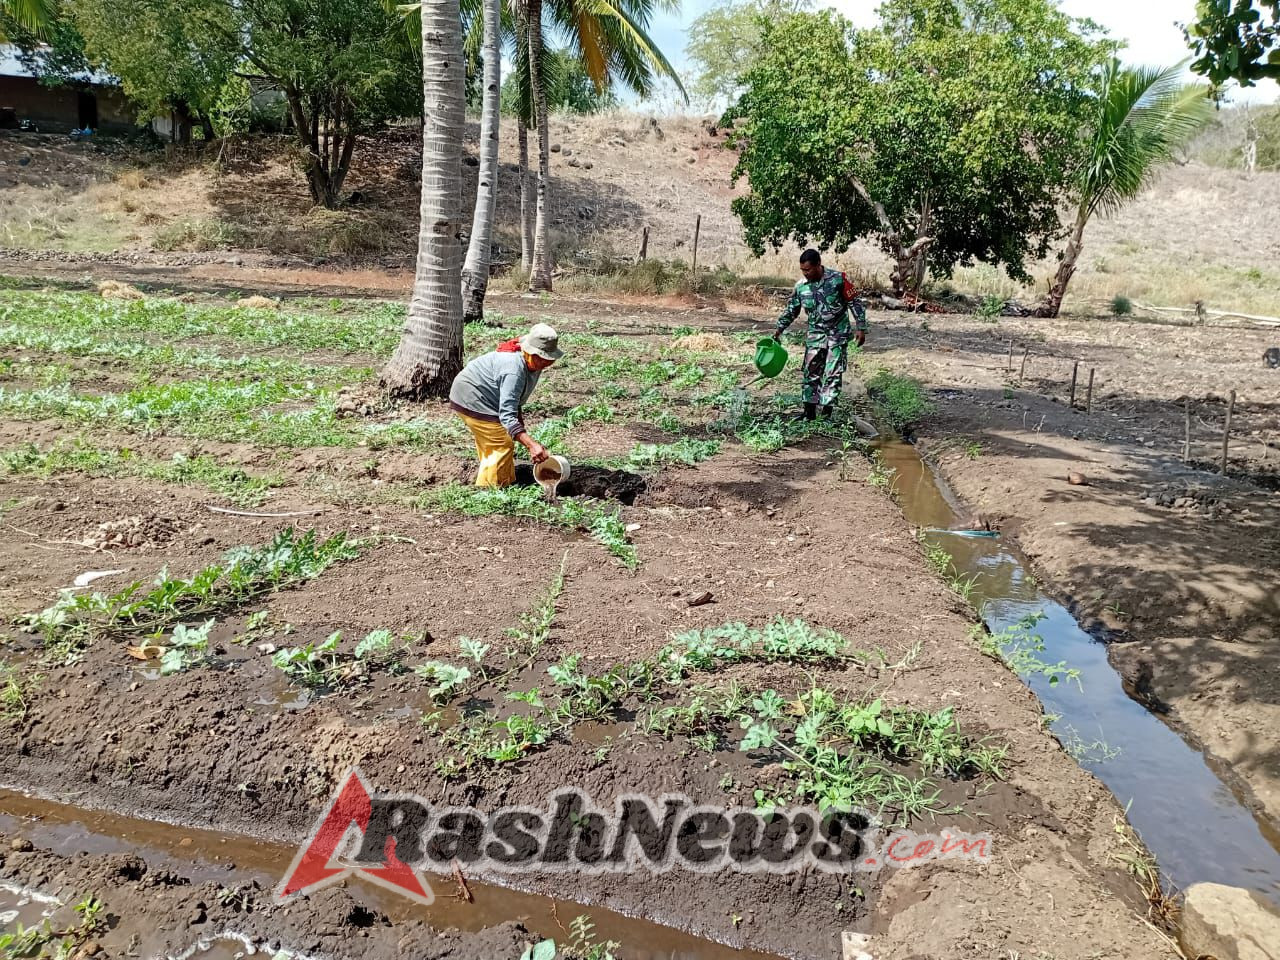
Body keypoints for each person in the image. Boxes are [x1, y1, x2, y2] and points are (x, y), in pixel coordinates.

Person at [449, 323, 564, 487]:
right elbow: (507, 415)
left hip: (484, 395)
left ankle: (497, 478)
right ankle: (492, 490)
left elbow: (513, 401)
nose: (546, 364)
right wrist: (531, 444)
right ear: (530, 352)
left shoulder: (530, 359)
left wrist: (521, 431)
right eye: (542, 359)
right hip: (473, 397)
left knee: (497, 441)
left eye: (549, 359)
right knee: (501, 442)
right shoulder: (513, 370)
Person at [772, 249, 868, 420]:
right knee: (810, 372)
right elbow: (791, 310)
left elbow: (855, 302)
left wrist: (861, 327)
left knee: (833, 373)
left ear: (818, 265)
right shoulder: (801, 287)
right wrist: (779, 329)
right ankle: (808, 413)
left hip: (837, 335)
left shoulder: (838, 279)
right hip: (815, 336)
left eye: (808, 269)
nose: (805, 273)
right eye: (803, 270)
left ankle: (826, 415)